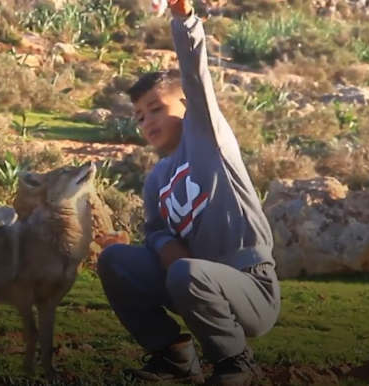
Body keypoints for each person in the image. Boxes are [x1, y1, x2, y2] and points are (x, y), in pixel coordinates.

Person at [96, 1, 282, 385]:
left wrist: (184, 20)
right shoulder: (156, 179)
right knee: (115, 260)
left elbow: (196, 77)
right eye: (140, 116)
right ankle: (174, 356)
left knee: (186, 271)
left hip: (250, 285)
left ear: (187, 107)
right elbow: (156, 230)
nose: (147, 121)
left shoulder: (208, 139)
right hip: (191, 280)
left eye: (156, 109)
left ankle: (237, 363)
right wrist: (164, 244)